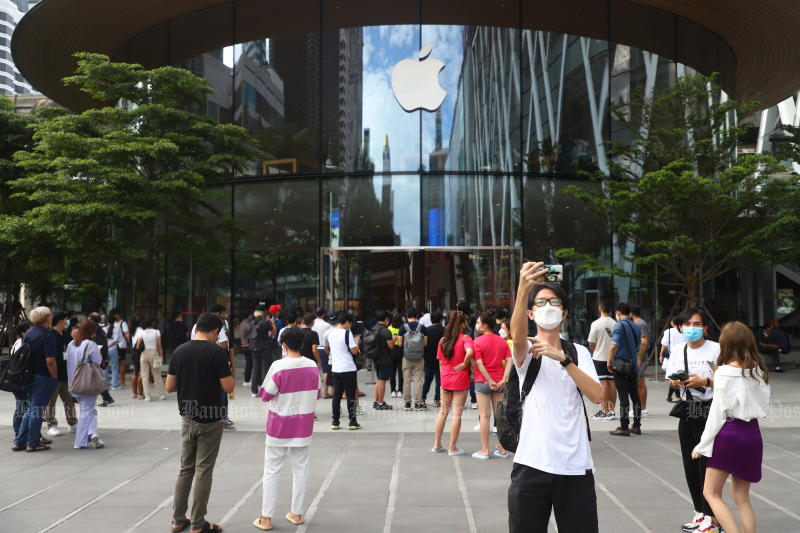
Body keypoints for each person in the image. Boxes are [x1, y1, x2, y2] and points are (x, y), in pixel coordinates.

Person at [508, 262, 603, 533]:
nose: (548, 307)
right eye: (540, 302)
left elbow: (597, 396)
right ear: (530, 312)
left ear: (564, 312)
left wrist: (564, 360)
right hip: (532, 463)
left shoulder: (579, 352)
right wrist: (522, 288)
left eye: (554, 302)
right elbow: (516, 335)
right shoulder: (526, 351)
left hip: (575, 466)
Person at [691, 322, 770, 533]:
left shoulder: (724, 372)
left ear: (725, 343)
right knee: (742, 497)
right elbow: (763, 405)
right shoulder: (759, 370)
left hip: (730, 433)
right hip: (753, 433)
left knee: (711, 493)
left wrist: (702, 444)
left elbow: (717, 413)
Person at [166, 312, 234, 533]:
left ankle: (178, 520)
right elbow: (228, 387)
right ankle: (198, 524)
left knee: (186, 468)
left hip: (187, 416)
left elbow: (169, 387)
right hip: (211, 418)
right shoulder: (216, 352)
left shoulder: (180, 351)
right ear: (215, 331)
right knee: (204, 470)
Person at [252, 327, 320, 531]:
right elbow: (316, 393)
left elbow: (265, 395)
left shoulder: (278, 366)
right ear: (302, 345)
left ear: (283, 344)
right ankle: (297, 513)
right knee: (301, 469)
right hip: (304, 425)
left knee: (272, 471)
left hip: (279, 426)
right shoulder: (312, 366)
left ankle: (266, 518)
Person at [665, 308, 720, 533]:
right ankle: (700, 511)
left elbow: (728, 380)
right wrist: (677, 383)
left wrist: (704, 382)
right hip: (688, 410)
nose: (691, 329)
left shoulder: (716, 349)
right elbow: (671, 379)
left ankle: (712, 517)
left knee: (706, 466)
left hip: (711, 411)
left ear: (705, 328)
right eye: (687, 324)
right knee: (690, 464)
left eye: (696, 324)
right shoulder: (679, 350)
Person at [13, 306, 59, 453]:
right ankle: (32, 443)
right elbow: (50, 360)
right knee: (37, 410)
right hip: (43, 376)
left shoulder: (29, 333)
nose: (52, 316)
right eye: (50, 314)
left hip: (29, 376)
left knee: (31, 409)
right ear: (46, 318)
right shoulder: (48, 335)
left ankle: (20, 441)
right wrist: (54, 377)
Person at [471, 311, 512, 460]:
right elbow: (509, 361)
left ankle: (484, 450)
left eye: (478, 322)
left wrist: (489, 380)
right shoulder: (502, 341)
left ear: (484, 325)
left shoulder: (478, 342)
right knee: (500, 417)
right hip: (500, 382)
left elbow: (479, 364)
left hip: (483, 382)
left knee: (484, 416)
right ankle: (502, 448)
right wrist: (503, 379)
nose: (477, 324)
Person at [432, 309, 472, 456]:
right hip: (460, 379)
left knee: (442, 412)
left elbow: (440, 362)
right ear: (461, 324)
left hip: (446, 380)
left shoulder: (443, 340)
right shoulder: (465, 339)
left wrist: (443, 377)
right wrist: (465, 363)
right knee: (457, 414)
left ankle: (437, 444)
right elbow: (470, 352)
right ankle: (452, 447)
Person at [66, 319, 105, 449]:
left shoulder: (72, 344)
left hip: (75, 382)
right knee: (87, 411)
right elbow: (97, 361)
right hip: (87, 382)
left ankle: (92, 434)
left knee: (89, 410)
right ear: (92, 331)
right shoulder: (90, 344)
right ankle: (80, 441)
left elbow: (70, 363)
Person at [607, 303, 642, 436]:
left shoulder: (619, 325)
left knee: (623, 396)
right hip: (633, 365)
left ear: (618, 313)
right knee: (635, 395)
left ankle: (624, 427)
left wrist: (609, 361)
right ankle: (637, 425)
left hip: (621, 365)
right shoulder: (636, 326)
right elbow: (638, 344)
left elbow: (613, 346)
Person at [45, 311, 78, 437]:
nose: (67, 322)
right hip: (54, 374)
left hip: (66, 373)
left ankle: (72, 422)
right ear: (60, 320)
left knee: (69, 400)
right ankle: (51, 425)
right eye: (66, 319)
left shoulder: (65, 334)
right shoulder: (51, 335)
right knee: (51, 401)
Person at [325, 313, 361, 430]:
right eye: (349, 323)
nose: (350, 326)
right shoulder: (347, 333)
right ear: (346, 322)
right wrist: (357, 345)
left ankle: (335, 422)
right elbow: (354, 351)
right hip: (348, 368)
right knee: (351, 396)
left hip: (336, 369)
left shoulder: (331, 333)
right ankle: (352, 422)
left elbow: (330, 350)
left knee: (336, 396)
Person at [587, 301, 617, 420]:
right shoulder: (616, 323)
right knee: (612, 384)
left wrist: (596, 350)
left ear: (600, 308)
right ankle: (612, 411)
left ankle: (604, 410)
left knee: (603, 384)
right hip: (613, 357)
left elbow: (591, 343)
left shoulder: (596, 324)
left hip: (599, 357)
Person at [399, 307, 428, 410]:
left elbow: (400, 343)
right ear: (417, 316)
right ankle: (417, 403)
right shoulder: (422, 327)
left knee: (406, 380)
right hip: (419, 357)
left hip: (406, 357)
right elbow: (425, 343)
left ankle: (407, 403)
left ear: (407, 316)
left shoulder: (403, 328)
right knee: (418, 380)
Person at [9, 321, 32, 441]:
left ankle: (21, 433)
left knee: (22, 405)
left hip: (16, 378)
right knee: (22, 406)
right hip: (19, 379)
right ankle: (19, 433)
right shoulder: (21, 343)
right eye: (30, 329)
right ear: (23, 332)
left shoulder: (19, 342)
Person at [136, 317, 167, 401]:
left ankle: (147, 396)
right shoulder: (157, 332)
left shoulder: (142, 332)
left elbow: (137, 346)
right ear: (153, 323)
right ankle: (161, 394)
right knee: (157, 374)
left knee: (144, 376)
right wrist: (161, 356)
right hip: (154, 353)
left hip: (144, 354)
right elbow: (159, 345)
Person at [370, 310, 395, 410]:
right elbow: (391, 345)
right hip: (385, 358)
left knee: (379, 380)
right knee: (382, 381)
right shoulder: (385, 331)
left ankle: (376, 401)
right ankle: (380, 402)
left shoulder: (373, 328)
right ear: (386, 319)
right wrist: (394, 339)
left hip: (376, 357)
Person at [89, 313, 116, 407]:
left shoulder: (96, 332)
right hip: (99, 358)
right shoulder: (99, 330)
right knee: (97, 380)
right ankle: (107, 397)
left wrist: (104, 358)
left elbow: (101, 346)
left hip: (96, 358)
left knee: (96, 380)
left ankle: (107, 397)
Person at [250, 310, 277, 398]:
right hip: (264, 348)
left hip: (254, 347)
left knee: (255, 369)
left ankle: (254, 391)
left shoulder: (252, 322)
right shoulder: (265, 323)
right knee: (265, 369)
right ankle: (264, 390)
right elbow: (274, 332)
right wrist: (272, 322)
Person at [422, 310, 445, 409]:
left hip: (429, 359)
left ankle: (423, 398)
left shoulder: (426, 330)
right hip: (441, 359)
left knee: (427, 380)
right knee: (439, 381)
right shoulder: (445, 330)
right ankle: (437, 400)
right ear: (441, 320)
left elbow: (424, 346)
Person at [631, 305, 650, 415]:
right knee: (635, 383)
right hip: (635, 357)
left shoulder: (641, 324)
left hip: (640, 358)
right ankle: (638, 407)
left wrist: (638, 357)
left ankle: (643, 408)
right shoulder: (635, 324)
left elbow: (644, 342)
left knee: (640, 382)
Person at [312, 308, 333, 398]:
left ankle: (313, 391)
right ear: (323, 315)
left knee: (314, 370)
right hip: (324, 348)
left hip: (314, 348)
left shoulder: (312, 323)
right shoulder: (327, 325)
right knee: (326, 370)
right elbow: (329, 338)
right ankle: (325, 392)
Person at [107, 308, 131, 388]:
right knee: (115, 364)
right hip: (113, 346)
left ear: (117, 315)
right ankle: (116, 381)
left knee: (121, 363)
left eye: (114, 315)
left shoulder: (122, 323)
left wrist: (128, 341)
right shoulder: (112, 323)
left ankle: (122, 380)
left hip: (121, 345)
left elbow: (127, 334)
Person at [661, 318, 683, 402]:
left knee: (674, 378)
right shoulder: (684, 331)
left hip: (671, 357)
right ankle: (673, 396)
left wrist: (661, 354)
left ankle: (672, 396)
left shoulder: (669, 331)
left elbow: (664, 344)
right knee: (675, 377)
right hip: (682, 357)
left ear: (673, 322)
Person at [388, 314, 403, 398]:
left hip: (392, 350)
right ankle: (400, 390)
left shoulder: (389, 329)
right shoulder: (403, 328)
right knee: (401, 372)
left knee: (392, 372)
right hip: (400, 350)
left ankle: (393, 390)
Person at [238, 312, 254, 387]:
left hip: (243, 345)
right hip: (247, 345)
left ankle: (247, 380)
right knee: (249, 363)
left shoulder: (241, 323)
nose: (251, 316)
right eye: (250, 315)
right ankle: (246, 380)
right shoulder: (247, 324)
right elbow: (249, 332)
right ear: (248, 316)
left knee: (249, 363)